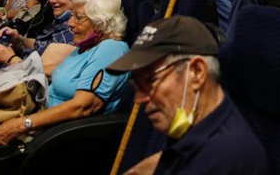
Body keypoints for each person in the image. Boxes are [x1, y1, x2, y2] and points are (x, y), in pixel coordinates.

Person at [0, 0, 130, 175]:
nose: (70, 23)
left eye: (78, 17)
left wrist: (22, 124)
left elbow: (83, 106)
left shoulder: (111, 49)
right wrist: (16, 61)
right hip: (39, 122)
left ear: (100, 22)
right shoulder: (86, 47)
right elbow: (55, 72)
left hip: (55, 140)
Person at [107, 16, 269, 175]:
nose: (139, 99)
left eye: (151, 80)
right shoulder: (200, 124)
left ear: (197, 72)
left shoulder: (221, 160)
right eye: (137, 85)